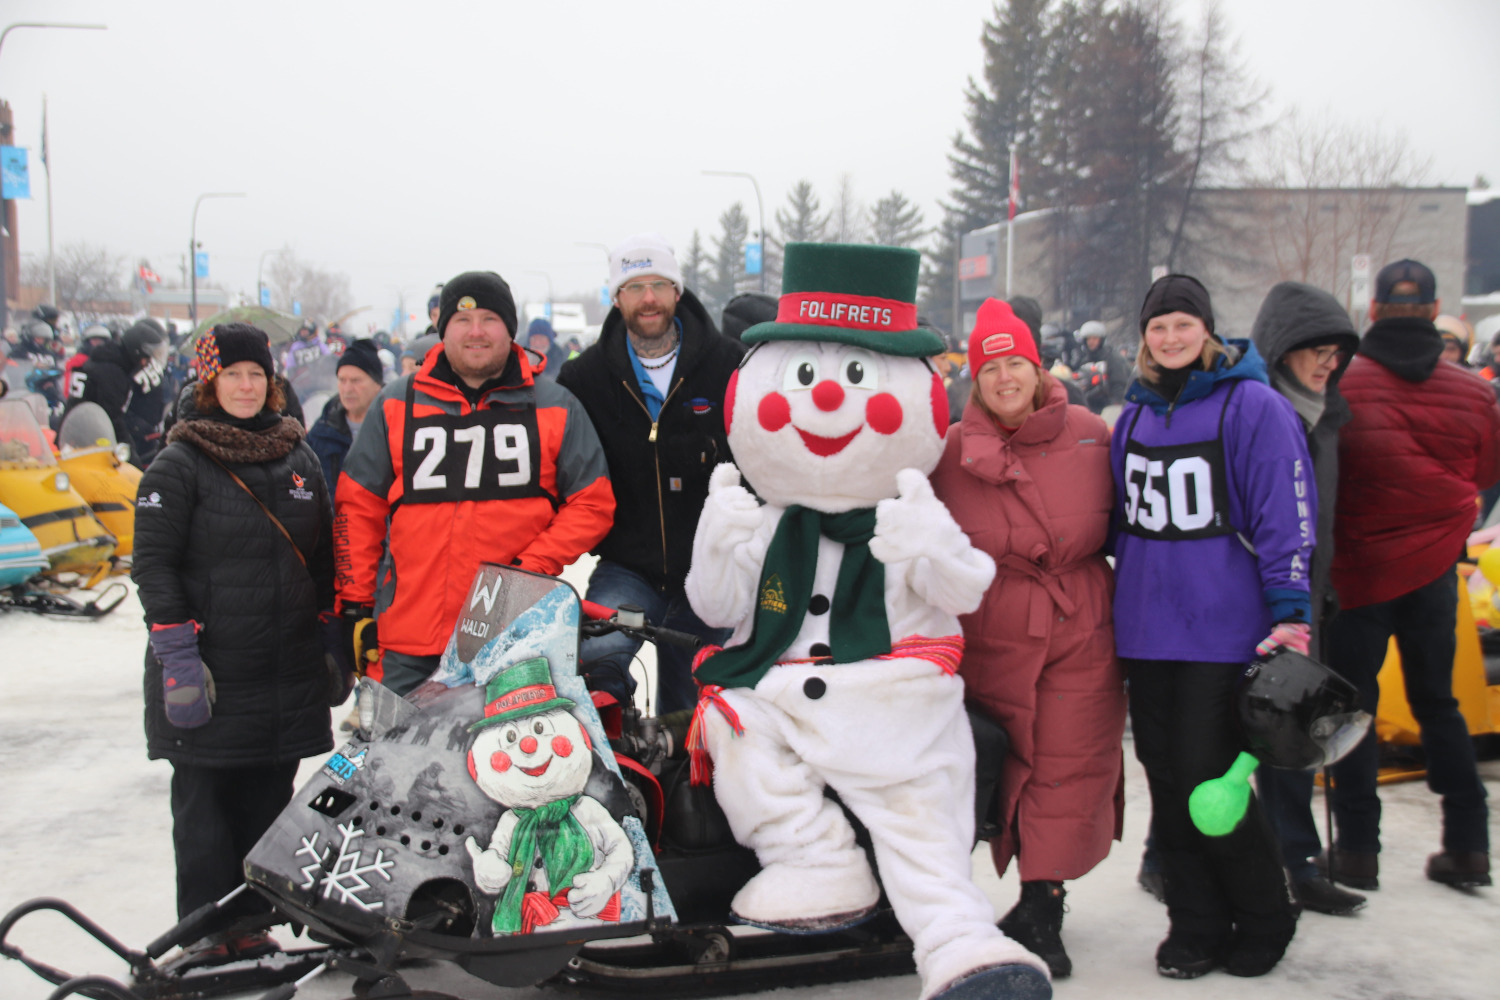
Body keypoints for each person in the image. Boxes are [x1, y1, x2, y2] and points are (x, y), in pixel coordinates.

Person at [1112, 273, 1309, 979]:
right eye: (1158, 326)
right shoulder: (1133, 417)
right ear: (1144, 337)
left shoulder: (1253, 406)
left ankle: (1264, 914)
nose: (1170, 337)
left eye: (1183, 324)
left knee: (1208, 783)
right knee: (1166, 783)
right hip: (1146, 630)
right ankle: (1194, 922)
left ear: (1207, 330)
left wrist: (1292, 611)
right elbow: (1118, 522)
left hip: (1223, 632)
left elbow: (1285, 514)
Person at [132, 322, 339, 965]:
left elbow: (324, 560)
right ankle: (204, 931)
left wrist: (331, 637)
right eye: (232, 375)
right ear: (208, 381)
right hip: (210, 668)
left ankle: (251, 923)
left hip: (283, 669)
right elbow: (153, 566)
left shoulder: (298, 457)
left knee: (267, 801)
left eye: (256, 375)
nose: (246, 387)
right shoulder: (179, 463)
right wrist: (176, 653)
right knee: (204, 808)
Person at [929, 298, 1124, 979]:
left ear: (1039, 369)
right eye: (991, 367)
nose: (1005, 378)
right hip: (991, 627)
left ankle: (1044, 906)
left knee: (1069, 762)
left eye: (1016, 363)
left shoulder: (1092, 434)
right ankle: (946, 903)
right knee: (994, 761)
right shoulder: (949, 450)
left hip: (1081, 620)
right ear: (975, 378)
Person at [335, 271, 615, 695]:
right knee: (394, 742)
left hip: (512, 641)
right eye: (462, 320)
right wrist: (355, 603)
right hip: (408, 642)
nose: (476, 331)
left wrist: (530, 569)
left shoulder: (555, 406)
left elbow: (592, 504)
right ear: (443, 328)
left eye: (490, 319)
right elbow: (357, 507)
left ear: (510, 329)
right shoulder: (396, 403)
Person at [1323, 259, 1500, 891]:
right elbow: (1485, 474)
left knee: (1352, 709)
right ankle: (1468, 844)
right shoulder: (1476, 393)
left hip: (1359, 573)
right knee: (1438, 704)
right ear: (1433, 311)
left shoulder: (1341, 383)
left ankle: (1356, 850)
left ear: (1373, 311)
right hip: (1433, 571)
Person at [557, 234, 744, 713]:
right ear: (616, 298)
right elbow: (559, 469)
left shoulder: (729, 365)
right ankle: (622, 756)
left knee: (696, 706)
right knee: (596, 671)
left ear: (677, 292)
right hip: (629, 572)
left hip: (708, 570)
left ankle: (678, 761)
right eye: (634, 287)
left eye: (659, 285)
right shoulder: (583, 379)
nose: (648, 299)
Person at [1248, 281, 1366, 916]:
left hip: (1305, 600)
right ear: (1282, 348)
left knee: (1292, 732)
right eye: (1316, 350)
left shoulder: (1327, 416)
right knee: (1225, 738)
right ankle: (1167, 855)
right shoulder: (1256, 411)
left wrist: (1324, 587)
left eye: (1336, 352)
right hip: (1255, 602)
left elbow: (1318, 518)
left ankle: (1297, 861)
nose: (1329, 362)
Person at [64, 319, 169, 468]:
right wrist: (132, 456)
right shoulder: (113, 373)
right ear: (136, 352)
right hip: (85, 441)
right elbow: (113, 417)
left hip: (73, 433)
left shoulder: (104, 362)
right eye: (147, 358)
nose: (146, 363)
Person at [307, 338, 385, 493]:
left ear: (377, 385)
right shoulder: (322, 431)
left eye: (356, 381)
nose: (347, 389)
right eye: (342, 380)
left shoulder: (394, 427)